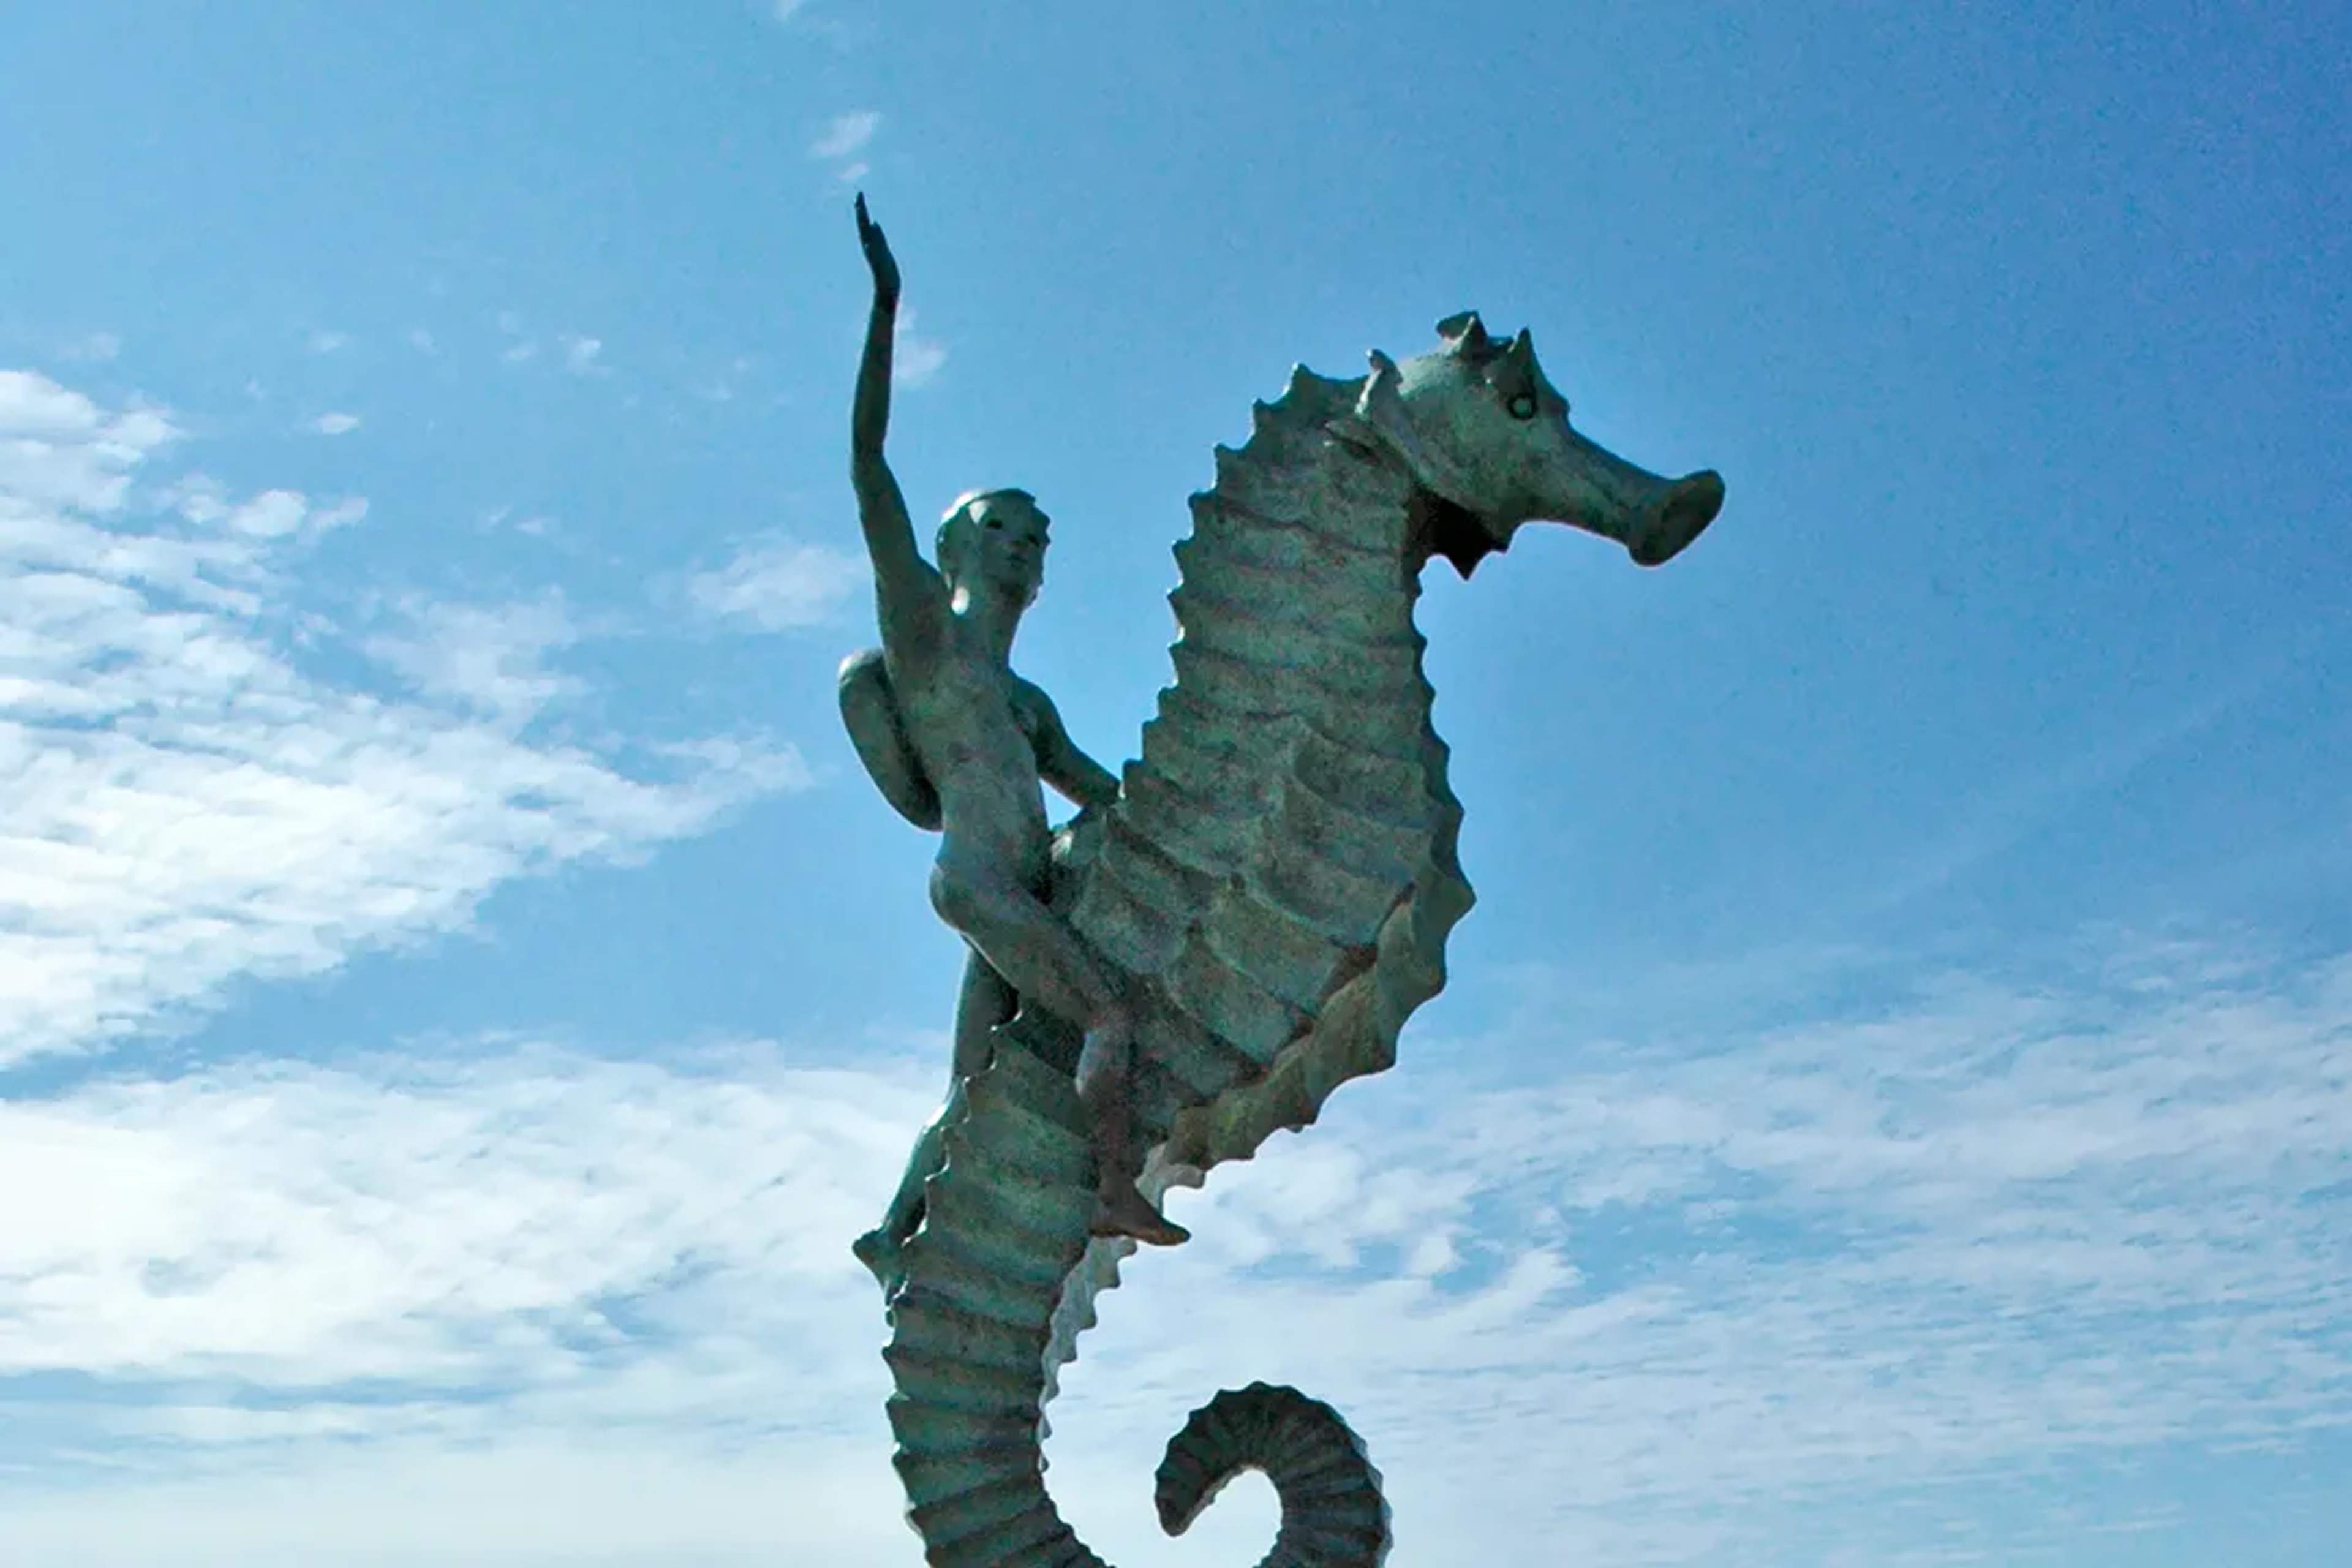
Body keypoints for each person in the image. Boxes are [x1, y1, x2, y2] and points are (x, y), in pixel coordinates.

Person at [845, 194, 1189, 1257]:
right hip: (982, 881)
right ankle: (1114, 1188)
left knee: (972, 1088)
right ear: (956, 550)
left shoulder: (1025, 703)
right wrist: (887, 309)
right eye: (1003, 530)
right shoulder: (926, 648)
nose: (1024, 550)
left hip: (1021, 882)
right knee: (1109, 1017)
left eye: (1038, 539)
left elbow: (1103, 791)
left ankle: (895, 1228)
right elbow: (869, 473)